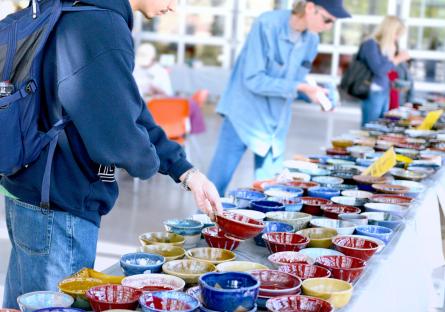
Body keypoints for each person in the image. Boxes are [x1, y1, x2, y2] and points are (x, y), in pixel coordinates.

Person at [1, 0, 222, 308]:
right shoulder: (100, 26)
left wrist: (186, 172)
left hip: (30, 192)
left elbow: (129, 107)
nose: (174, 7)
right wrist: (145, 161)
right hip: (61, 207)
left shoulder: (75, 11)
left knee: (24, 303)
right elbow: (119, 135)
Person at [208, 0, 351, 196]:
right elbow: (253, 79)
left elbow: (296, 82)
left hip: (275, 124)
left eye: (333, 22)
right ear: (310, 8)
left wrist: (315, 94)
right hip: (242, 114)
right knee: (216, 185)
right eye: (327, 20)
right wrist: (299, 86)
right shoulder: (266, 24)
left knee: (271, 192)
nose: (329, 27)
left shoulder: (311, 40)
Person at [358, 16, 410, 126]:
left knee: (381, 128)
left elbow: (389, 69)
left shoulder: (386, 46)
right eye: (396, 34)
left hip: (384, 90)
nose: (397, 38)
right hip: (373, 91)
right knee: (370, 128)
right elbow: (379, 70)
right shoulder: (370, 44)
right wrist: (397, 58)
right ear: (389, 31)